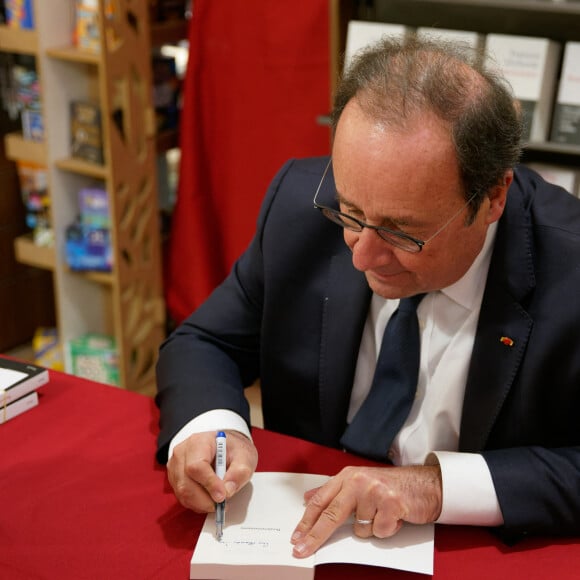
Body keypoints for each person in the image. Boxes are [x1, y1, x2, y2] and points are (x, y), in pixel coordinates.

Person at [155, 35, 580, 557]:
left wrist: (435, 486)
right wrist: (214, 430)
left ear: (492, 198)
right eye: (350, 213)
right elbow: (204, 342)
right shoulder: (298, 206)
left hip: (477, 553)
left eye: (403, 232)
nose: (361, 257)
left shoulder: (569, 270)